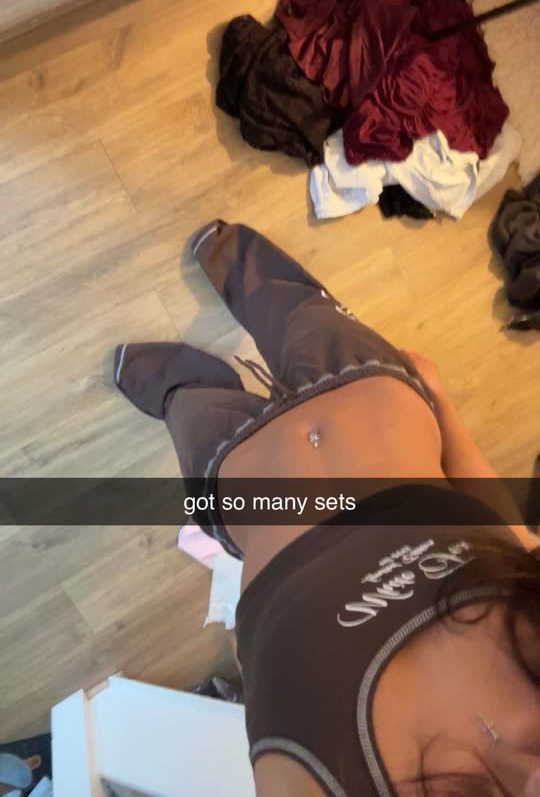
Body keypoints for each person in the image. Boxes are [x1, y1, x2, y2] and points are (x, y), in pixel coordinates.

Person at [115, 220, 540, 797]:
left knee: (187, 405)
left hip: (236, 470)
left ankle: (179, 382)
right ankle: (230, 254)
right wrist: (441, 402)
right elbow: (515, 537)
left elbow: (261, 666)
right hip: (366, 382)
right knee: (293, 305)